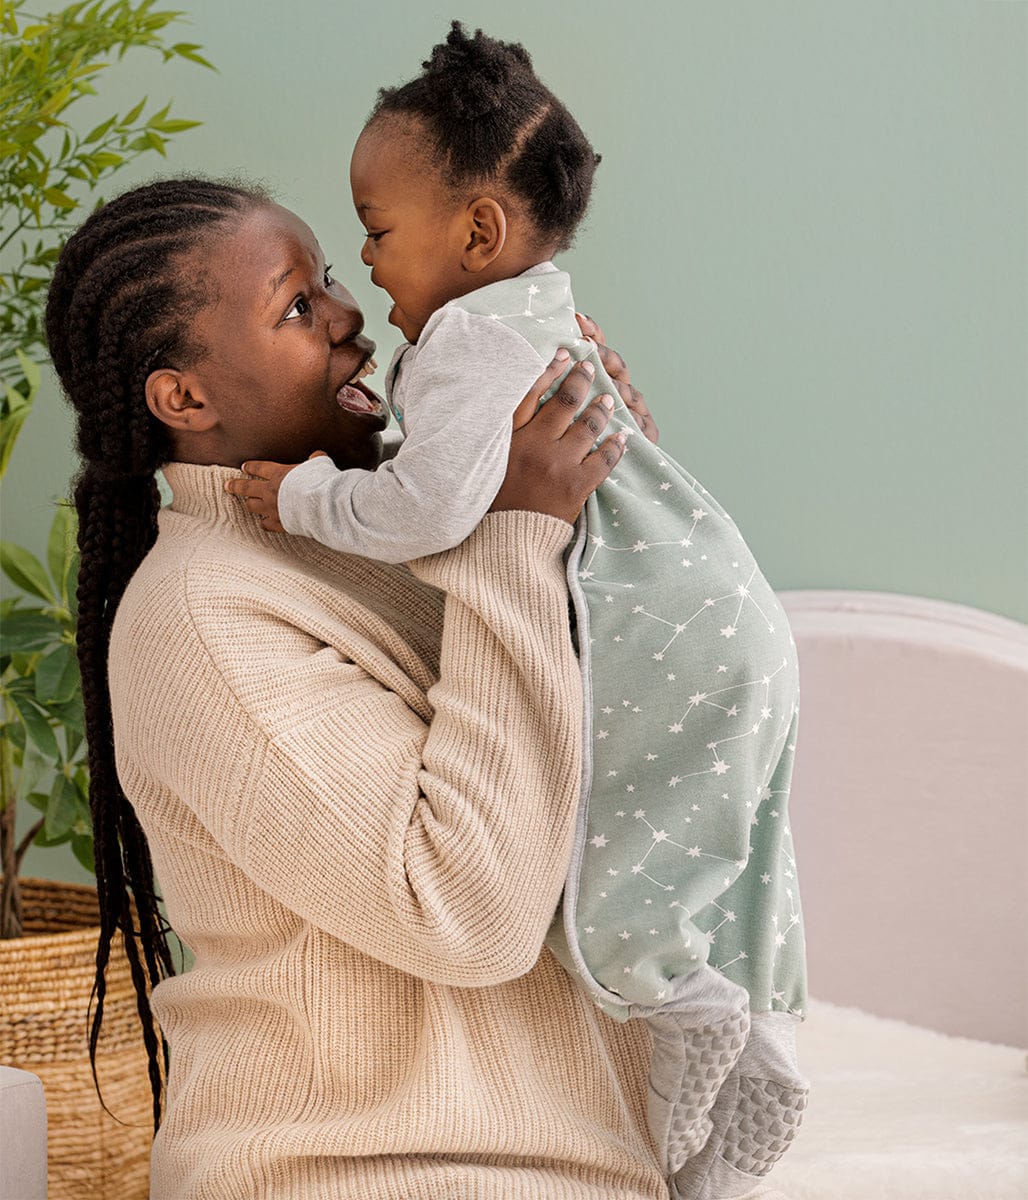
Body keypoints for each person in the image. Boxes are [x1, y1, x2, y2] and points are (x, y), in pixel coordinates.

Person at [227, 24, 808, 1198]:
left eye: (375, 231)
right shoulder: (540, 320)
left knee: (602, 877)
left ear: (477, 233)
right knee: (700, 854)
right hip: (721, 607)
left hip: (654, 626)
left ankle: (685, 1013)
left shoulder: (466, 342)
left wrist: (300, 499)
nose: (365, 267)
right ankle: (751, 1042)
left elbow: (427, 508)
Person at [45, 177, 680, 1199]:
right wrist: (520, 531)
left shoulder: (412, 519)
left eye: (332, 278)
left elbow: (587, 761)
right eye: (297, 306)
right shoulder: (201, 619)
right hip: (361, 1172)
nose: (349, 314)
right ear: (185, 400)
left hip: (568, 1169)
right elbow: (464, 914)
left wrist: (606, 479)